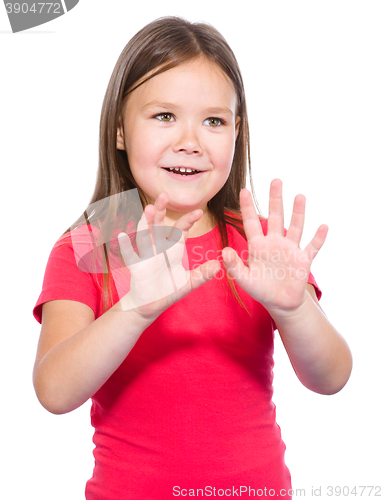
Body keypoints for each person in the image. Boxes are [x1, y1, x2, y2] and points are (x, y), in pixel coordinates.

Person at [32, 16, 352, 499]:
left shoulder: (261, 246)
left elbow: (332, 378)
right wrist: (133, 309)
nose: (191, 140)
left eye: (214, 121)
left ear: (236, 132)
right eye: (164, 116)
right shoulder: (88, 243)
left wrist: (294, 307)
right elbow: (54, 392)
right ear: (120, 130)